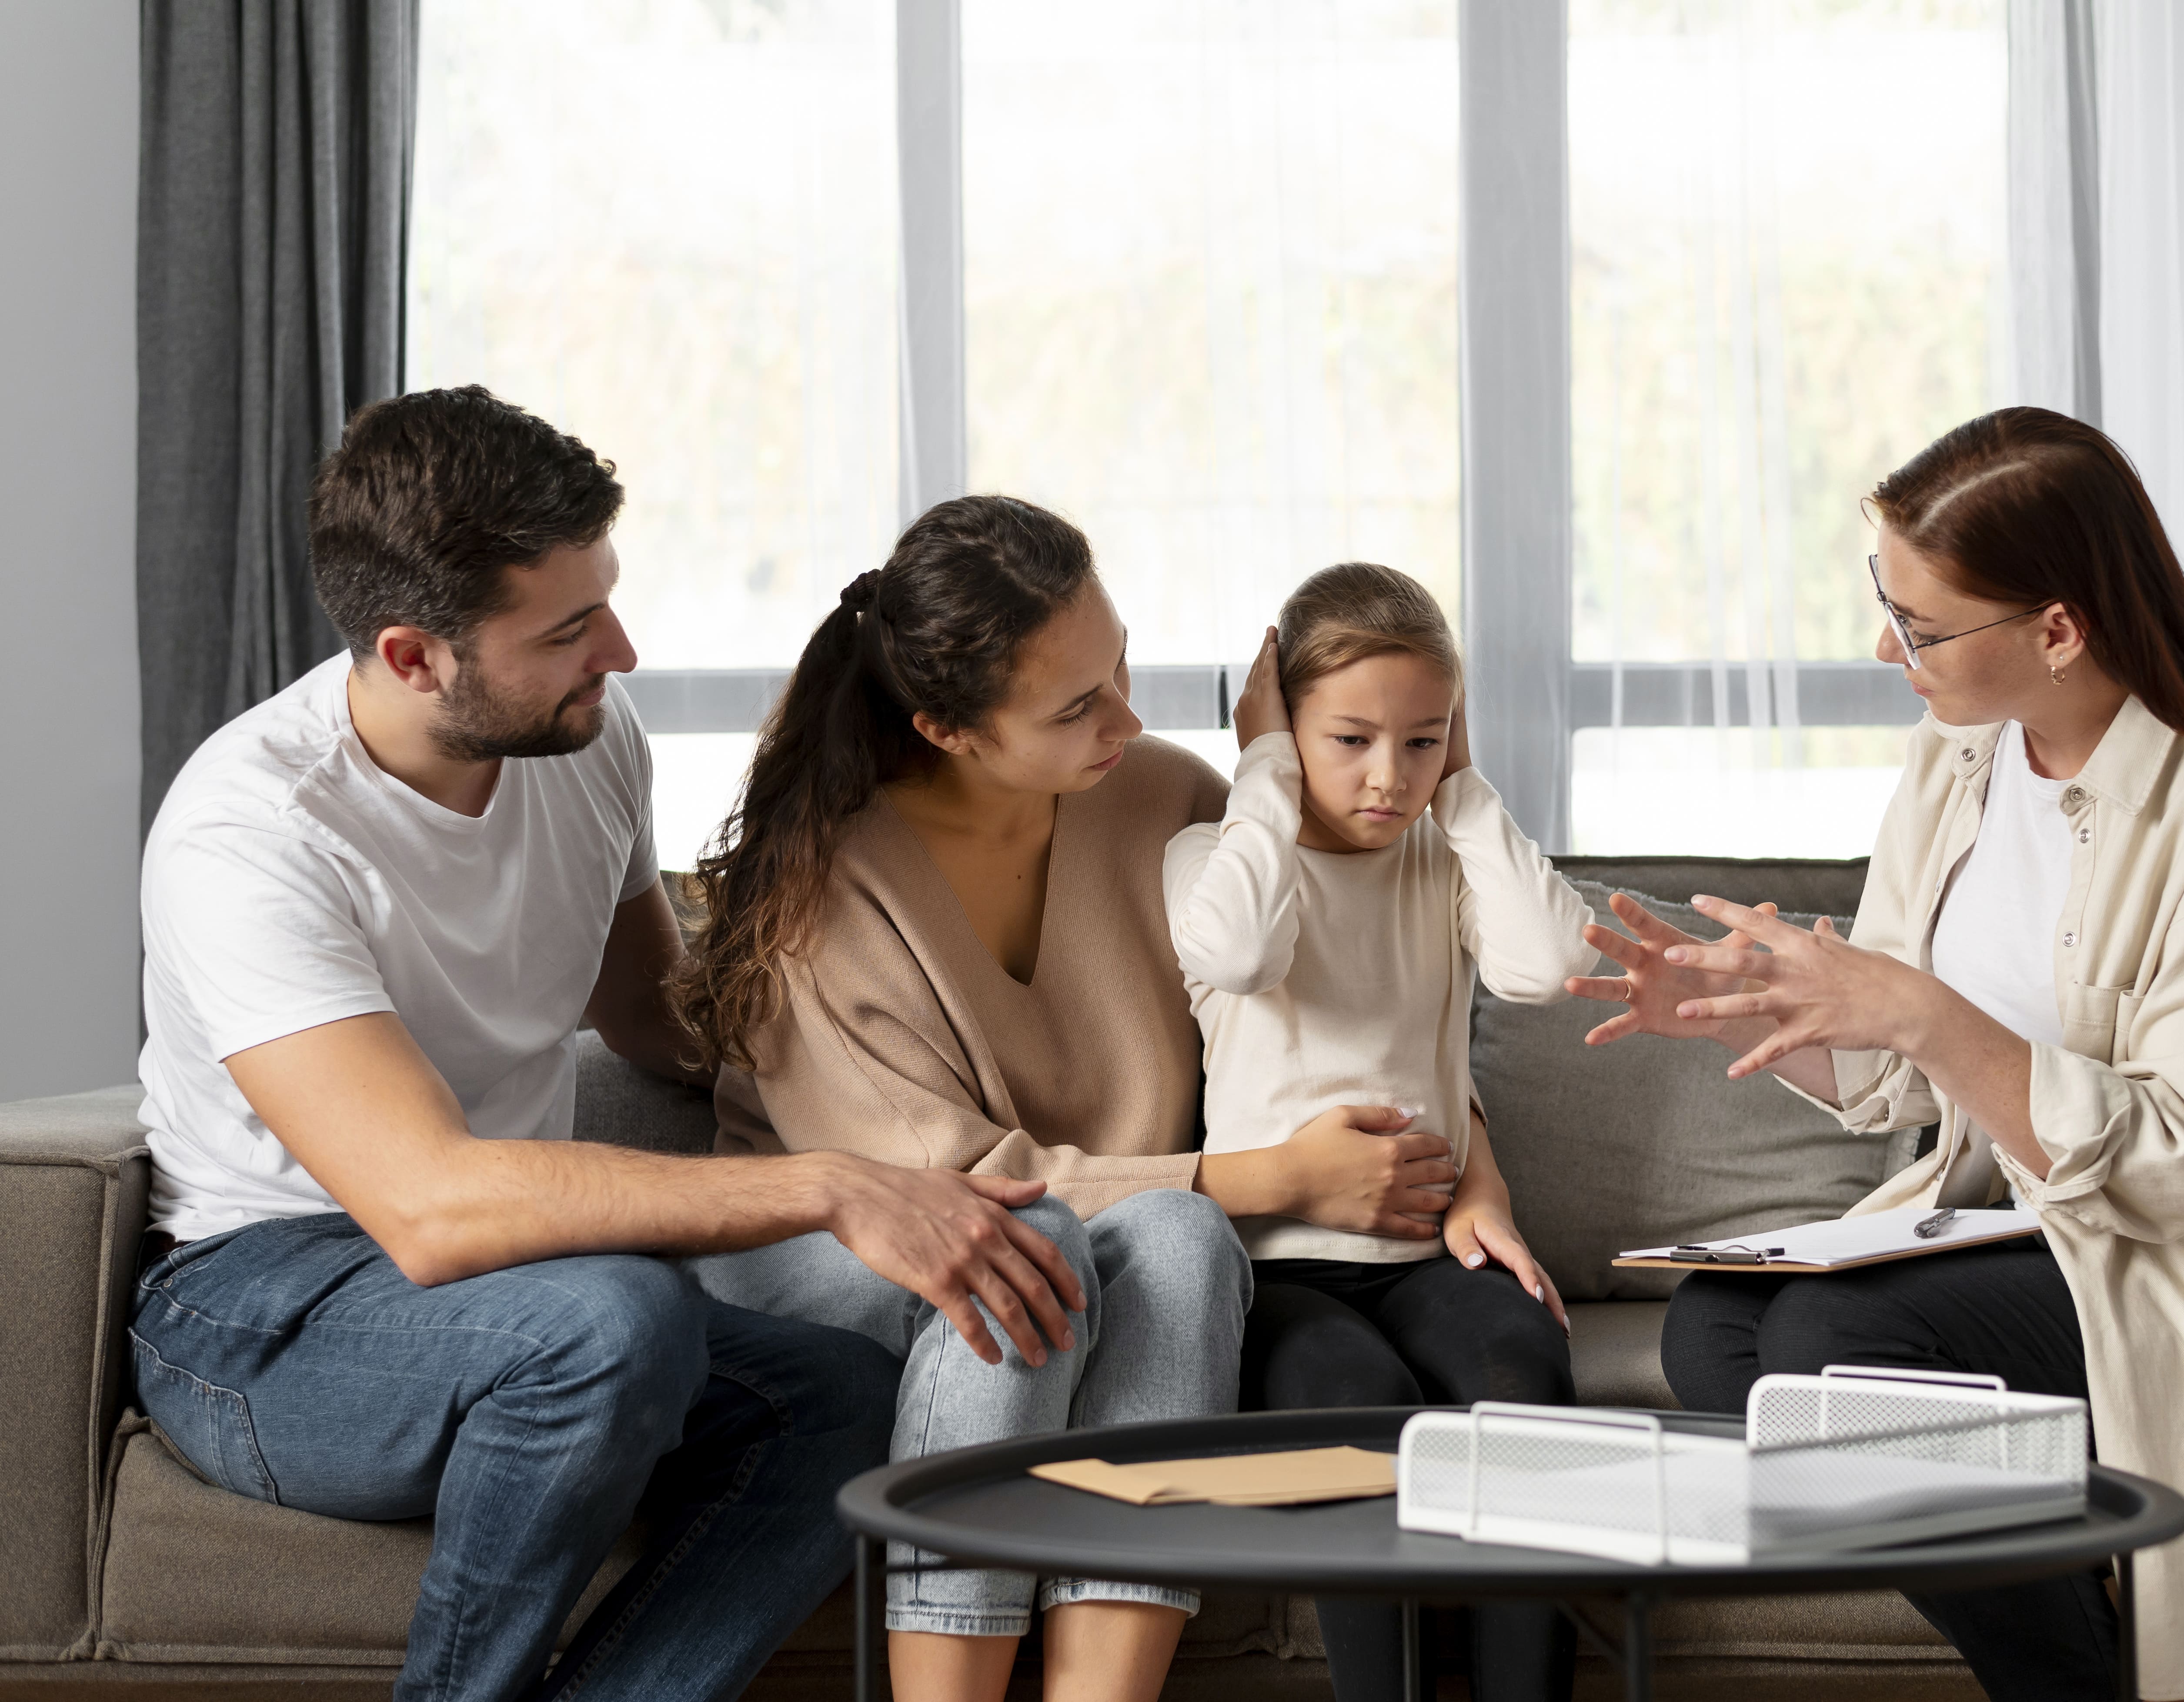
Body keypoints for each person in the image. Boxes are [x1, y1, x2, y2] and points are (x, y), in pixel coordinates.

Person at [128, 388, 1090, 1702]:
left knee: (844, 1395)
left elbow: (649, 1014)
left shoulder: (581, 744)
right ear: (414, 657)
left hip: (523, 1285)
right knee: (612, 1317)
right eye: (567, 630)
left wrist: (893, 1054)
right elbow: (430, 1207)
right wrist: (832, 1186)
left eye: (608, 602)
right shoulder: (252, 834)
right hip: (262, 1311)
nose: (620, 653)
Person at [1567, 408, 2184, 1702]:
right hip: (2031, 1235)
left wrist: (1922, 1010)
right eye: (1886, 605)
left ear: (2058, 629)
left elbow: (2174, 1169)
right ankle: (2108, 1645)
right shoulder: (1958, 760)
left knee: (1827, 1346)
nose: (1887, 649)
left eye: (1920, 627)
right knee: (1718, 1330)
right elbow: (1894, 1078)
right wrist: (1744, 1005)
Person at [672, 500, 1463, 1702]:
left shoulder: (1162, 795)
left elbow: (1374, 978)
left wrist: (1275, 769)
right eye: (1075, 706)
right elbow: (945, 1193)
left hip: (1115, 1229)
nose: (1128, 719)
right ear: (946, 728)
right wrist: (1278, 1180)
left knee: (1183, 1237)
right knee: (1030, 1237)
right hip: (839, 1248)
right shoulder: (819, 890)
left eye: (1121, 667)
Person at [1165, 563, 1596, 1702]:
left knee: (1521, 1371)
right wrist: (1262, 764)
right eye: (1350, 739)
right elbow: (1241, 955)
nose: (1387, 776)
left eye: (1421, 741)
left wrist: (1467, 793)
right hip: (1272, 1266)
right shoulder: (1211, 863)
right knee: (1357, 1402)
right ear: (1283, 726)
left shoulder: (1441, 861)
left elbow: (1553, 965)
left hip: (1423, 1251)